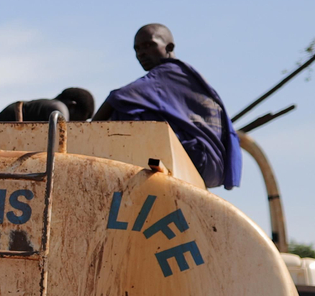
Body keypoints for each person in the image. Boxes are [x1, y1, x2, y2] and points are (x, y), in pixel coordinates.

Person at [92, 23, 242, 189]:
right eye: (137, 49)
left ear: (169, 47)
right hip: (214, 166)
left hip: (199, 160)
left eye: (149, 45)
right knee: (136, 105)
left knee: (125, 110)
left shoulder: (166, 73)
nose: (141, 53)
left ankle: (124, 174)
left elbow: (116, 97)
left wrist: (87, 134)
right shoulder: (186, 75)